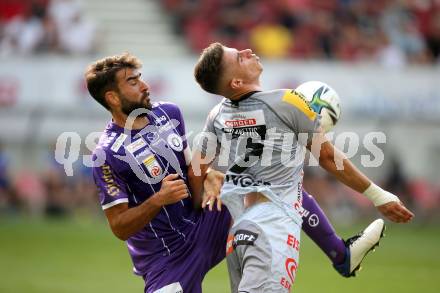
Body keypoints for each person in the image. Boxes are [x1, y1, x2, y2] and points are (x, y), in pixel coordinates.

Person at [191, 42, 414, 292]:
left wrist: (204, 189)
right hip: (271, 231)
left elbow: (195, 170)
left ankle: (342, 254)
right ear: (236, 83)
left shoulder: (216, 115)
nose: (247, 52)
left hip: (238, 233)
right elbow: (328, 157)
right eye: (239, 58)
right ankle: (342, 255)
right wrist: (378, 195)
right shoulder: (287, 101)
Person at [85, 53, 231, 293]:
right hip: (167, 257)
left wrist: (210, 175)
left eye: (140, 78)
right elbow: (120, 227)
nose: (145, 86)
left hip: (201, 226)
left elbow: (190, 170)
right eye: (133, 82)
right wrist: (158, 199)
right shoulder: (107, 154)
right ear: (112, 97)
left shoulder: (169, 113)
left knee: (258, 188)